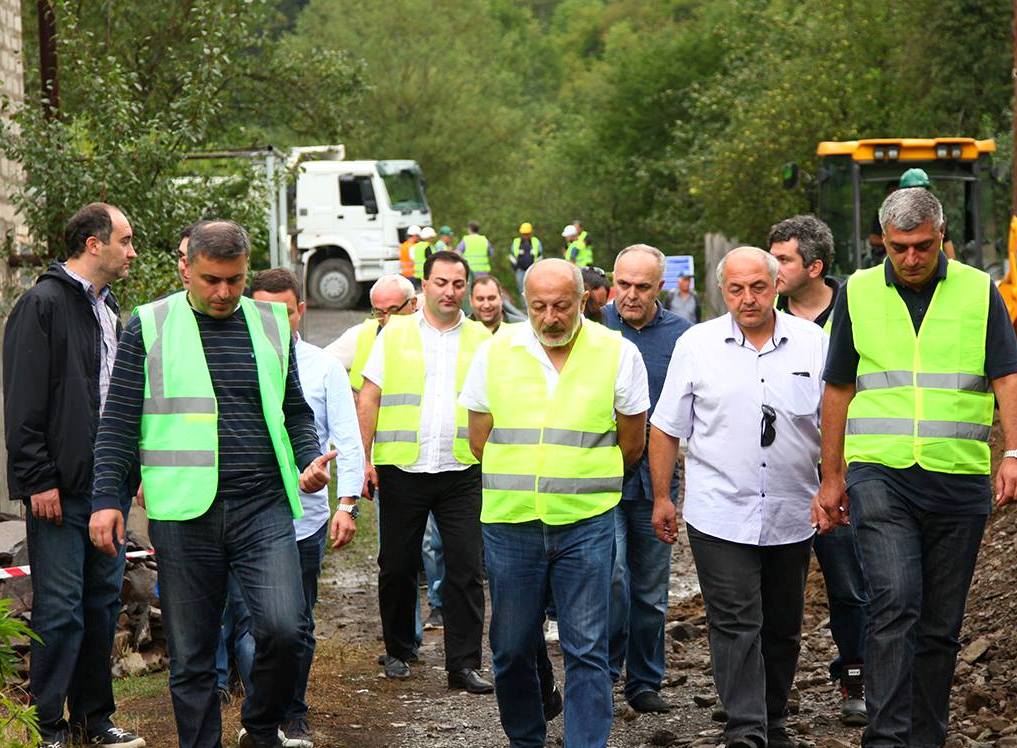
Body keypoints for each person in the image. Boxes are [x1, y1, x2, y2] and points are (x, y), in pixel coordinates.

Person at [89, 220, 336, 748]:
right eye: (211, 280)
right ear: (186, 268)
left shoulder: (272, 325)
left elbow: (294, 412)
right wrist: (108, 499)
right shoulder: (147, 326)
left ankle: (261, 727)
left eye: (235, 280)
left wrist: (310, 460)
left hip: (263, 505)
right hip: (184, 513)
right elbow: (118, 421)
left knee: (286, 630)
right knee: (193, 653)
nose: (224, 292)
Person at [813, 187, 1017, 748]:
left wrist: (1014, 452)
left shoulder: (979, 291)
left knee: (940, 625)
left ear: (942, 235)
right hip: (881, 473)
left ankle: (926, 736)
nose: (910, 258)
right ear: (884, 241)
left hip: (959, 475)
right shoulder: (858, 292)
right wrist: (832, 477)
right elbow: (837, 388)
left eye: (922, 246)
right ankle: (886, 737)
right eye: (899, 248)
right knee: (896, 600)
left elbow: (1006, 375)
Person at [460, 258, 650, 748]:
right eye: (539, 306)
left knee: (587, 648)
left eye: (562, 305)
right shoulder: (496, 350)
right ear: (524, 304)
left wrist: (584, 482)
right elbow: (479, 438)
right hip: (511, 522)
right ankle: (527, 738)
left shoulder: (616, 352)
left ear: (583, 300)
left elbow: (632, 441)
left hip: (586, 521)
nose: (551, 317)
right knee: (510, 647)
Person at [649, 246, 828, 748]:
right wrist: (663, 497)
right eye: (736, 289)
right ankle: (746, 728)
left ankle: (773, 718)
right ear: (721, 290)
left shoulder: (813, 343)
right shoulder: (697, 345)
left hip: (792, 509)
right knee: (735, 621)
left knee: (783, 624)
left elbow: (834, 421)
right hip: (719, 511)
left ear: (776, 287)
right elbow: (665, 428)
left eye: (757, 287)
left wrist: (834, 482)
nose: (747, 299)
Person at [3, 203, 144, 748]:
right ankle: (48, 726)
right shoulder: (41, 304)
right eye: (125, 241)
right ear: (93, 243)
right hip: (58, 493)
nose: (131, 252)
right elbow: (23, 401)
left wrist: (126, 471)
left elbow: (117, 403)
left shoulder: (109, 313)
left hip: (104, 490)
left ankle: (94, 719)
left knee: (100, 607)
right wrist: (37, 479)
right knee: (60, 611)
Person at [357, 250, 493, 693]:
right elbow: (370, 396)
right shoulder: (394, 333)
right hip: (402, 467)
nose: (450, 292)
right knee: (397, 566)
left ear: (465, 288)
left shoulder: (481, 339)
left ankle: (464, 663)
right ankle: (398, 651)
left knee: (466, 569)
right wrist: (363, 458)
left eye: (457, 284)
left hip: (462, 468)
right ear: (425, 286)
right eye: (441, 283)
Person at [250, 268, 366, 746]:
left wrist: (347, 504)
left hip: (305, 519)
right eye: (264, 312)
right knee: (251, 622)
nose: (276, 321)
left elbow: (347, 438)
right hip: (243, 517)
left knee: (295, 623)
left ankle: (291, 711)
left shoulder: (323, 368)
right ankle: (260, 711)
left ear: (302, 310)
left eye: (285, 311)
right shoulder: (232, 360)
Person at [768, 214, 869, 726]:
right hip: (781, 481)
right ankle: (769, 694)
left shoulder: (856, 313)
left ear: (815, 266)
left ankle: (855, 679)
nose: (773, 267)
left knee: (851, 586)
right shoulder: (761, 316)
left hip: (843, 479)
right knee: (771, 593)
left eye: (783, 259)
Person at [601, 245, 692, 714]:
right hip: (601, 478)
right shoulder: (592, 328)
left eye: (642, 286)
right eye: (623, 285)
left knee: (651, 589)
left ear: (661, 287)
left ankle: (644, 682)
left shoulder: (684, 337)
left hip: (655, 483)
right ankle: (604, 671)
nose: (630, 295)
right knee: (611, 577)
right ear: (613, 281)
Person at [324, 274, 417, 391]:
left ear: (413, 303)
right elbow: (317, 368)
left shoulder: (432, 335)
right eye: (379, 312)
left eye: (394, 310)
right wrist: (345, 396)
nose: (387, 320)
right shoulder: (360, 335)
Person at [509, 222, 543, 296]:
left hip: (533, 271)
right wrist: (515, 267)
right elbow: (512, 256)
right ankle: (524, 307)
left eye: (527, 234)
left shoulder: (536, 242)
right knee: (522, 290)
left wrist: (537, 268)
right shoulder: (516, 242)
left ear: (531, 233)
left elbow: (540, 256)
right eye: (524, 234)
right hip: (520, 270)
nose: (526, 236)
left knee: (534, 289)